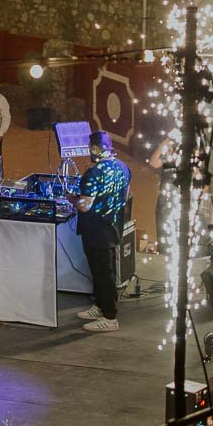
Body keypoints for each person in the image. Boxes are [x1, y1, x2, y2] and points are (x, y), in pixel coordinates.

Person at [75, 131, 133, 335]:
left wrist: (69, 197)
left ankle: (109, 317)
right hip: (112, 227)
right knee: (103, 272)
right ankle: (99, 306)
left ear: (95, 148)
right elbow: (125, 196)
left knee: (102, 273)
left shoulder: (93, 173)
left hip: (96, 229)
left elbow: (84, 206)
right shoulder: (124, 168)